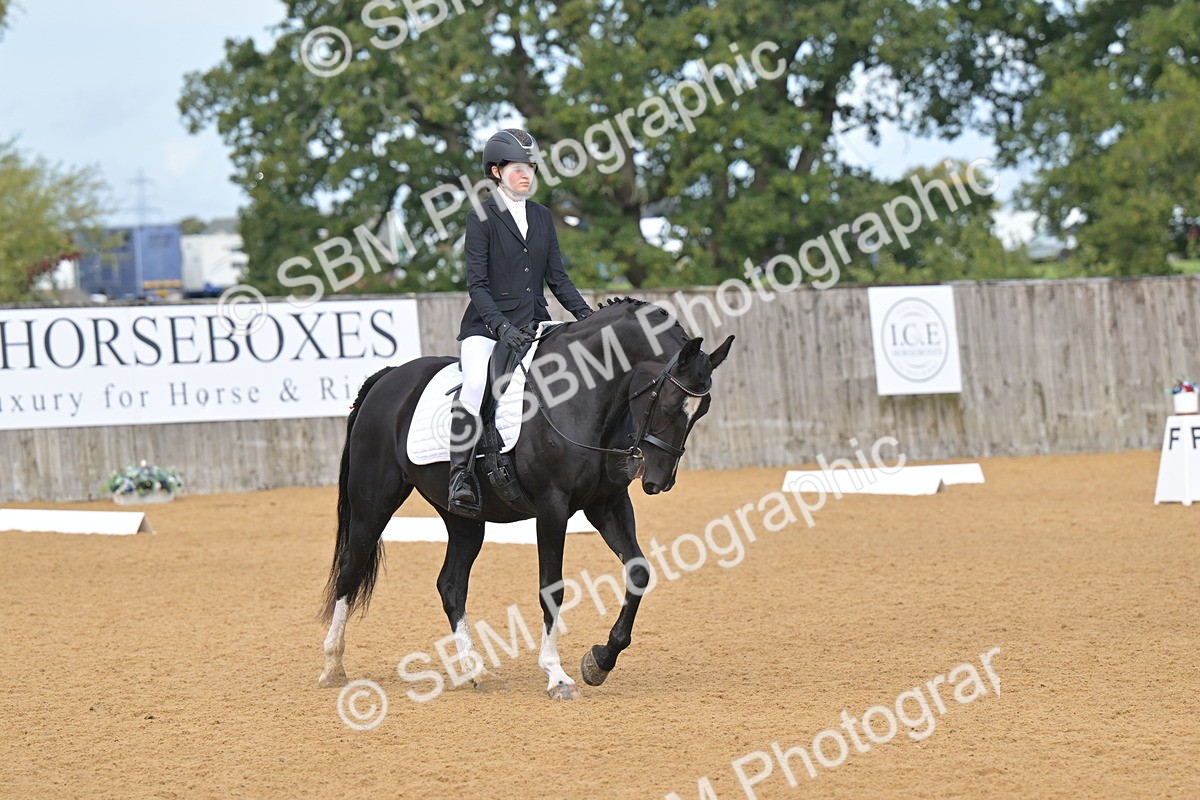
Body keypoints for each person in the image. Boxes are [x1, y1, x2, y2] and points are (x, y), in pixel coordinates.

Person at [448, 128, 593, 515]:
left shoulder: (542, 216)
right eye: (518, 169)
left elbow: (557, 278)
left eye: (531, 168)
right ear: (496, 172)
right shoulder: (481, 217)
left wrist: (588, 318)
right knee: (476, 383)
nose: (527, 175)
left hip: (534, 324)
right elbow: (476, 285)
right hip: (487, 328)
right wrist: (501, 328)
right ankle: (460, 475)